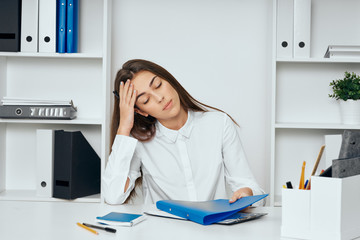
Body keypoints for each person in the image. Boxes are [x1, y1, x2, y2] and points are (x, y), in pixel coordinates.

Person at [103, 59, 264, 205]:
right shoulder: (138, 141)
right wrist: (124, 126)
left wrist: (246, 194)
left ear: (169, 80)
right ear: (141, 111)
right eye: (146, 100)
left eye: (158, 85)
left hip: (213, 231)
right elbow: (113, 196)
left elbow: (251, 188)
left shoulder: (218, 124)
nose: (160, 98)